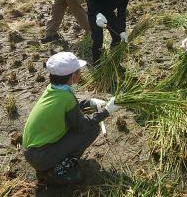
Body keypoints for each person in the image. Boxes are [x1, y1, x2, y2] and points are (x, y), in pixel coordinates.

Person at [22, 52, 119, 185]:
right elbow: (83, 126)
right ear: (73, 76)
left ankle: (54, 162)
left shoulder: (52, 89)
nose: (81, 73)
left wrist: (89, 102)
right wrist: (106, 111)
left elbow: (69, 110)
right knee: (92, 129)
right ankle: (59, 167)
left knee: (83, 121)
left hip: (32, 151)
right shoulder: (66, 97)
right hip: (41, 156)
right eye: (79, 71)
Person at [86, 0, 141, 64]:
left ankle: (114, 62)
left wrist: (122, 30)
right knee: (98, 40)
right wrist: (97, 15)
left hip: (108, 13)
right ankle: (97, 64)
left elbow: (121, 11)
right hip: (95, 13)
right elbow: (90, 2)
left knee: (117, 36)